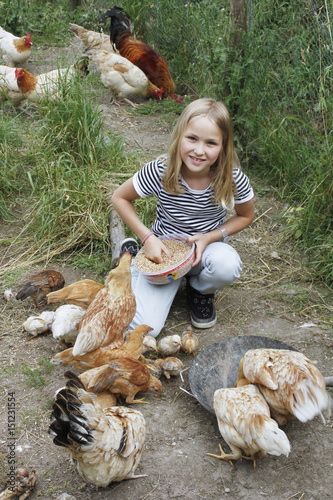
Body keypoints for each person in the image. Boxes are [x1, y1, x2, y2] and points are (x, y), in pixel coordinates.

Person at [111, 98, 254, 337]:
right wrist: (148, 238)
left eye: (210, 143)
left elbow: (245, 215)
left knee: (226, 265)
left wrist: (209, 237)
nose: (199, 150)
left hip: (203, 253)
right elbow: (120, 198)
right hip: (163, 255)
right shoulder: (161, 170)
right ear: (179, 136)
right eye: (192, 139)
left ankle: (199, 290)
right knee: (146, 330)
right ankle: (135, 259)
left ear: (223, 146)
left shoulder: (232, 177)